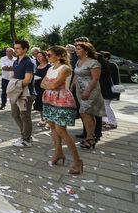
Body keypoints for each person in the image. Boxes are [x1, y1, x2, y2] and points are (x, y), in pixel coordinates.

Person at [41, 46, 83, 175]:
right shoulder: (50, 68)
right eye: (46, 55)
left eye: (49, 55)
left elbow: (53, 85)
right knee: (52, 127)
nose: (47, 57)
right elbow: (42, 84)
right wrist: (49, 85)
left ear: (59, 56)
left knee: (61, 130)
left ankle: (78, 161)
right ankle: (58, 153)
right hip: (50, 99)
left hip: (62, 100)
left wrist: (49, 85)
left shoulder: (65, 68)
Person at [73, 42, 104, 150]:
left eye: (78, 49)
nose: (76, 50)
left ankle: (90, 137)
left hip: (90, 90)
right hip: (79, 89)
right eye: (76, 49)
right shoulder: (79, 61)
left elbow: (95, 79)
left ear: (86, 51)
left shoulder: (93, 62)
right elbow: (76, 75)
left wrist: (87, 91)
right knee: (88, 114)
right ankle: (91, 137)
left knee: (84, 112)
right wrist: (71, 87)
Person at [10, 39, 36, 148]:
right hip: (16, 92)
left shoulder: (29, 62)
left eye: (18, 48)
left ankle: (27, 140)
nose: (15, 50)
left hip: (26, 93)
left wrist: (14, 86)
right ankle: (25, 135)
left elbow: (27, 80)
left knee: (25, 116)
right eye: (14, 48)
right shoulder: (16, 61)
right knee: (15, 114)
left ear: (25, 49)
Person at [34, 51, 51, 127]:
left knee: (46, 104)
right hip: (36, 86)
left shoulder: (49, 67)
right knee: (39, 103)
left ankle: (48, 120)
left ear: (45, 57)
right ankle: (42, 119)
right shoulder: (36, 65)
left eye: (40, 56)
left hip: (45, 87)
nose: (38, 58)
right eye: (37, 57)